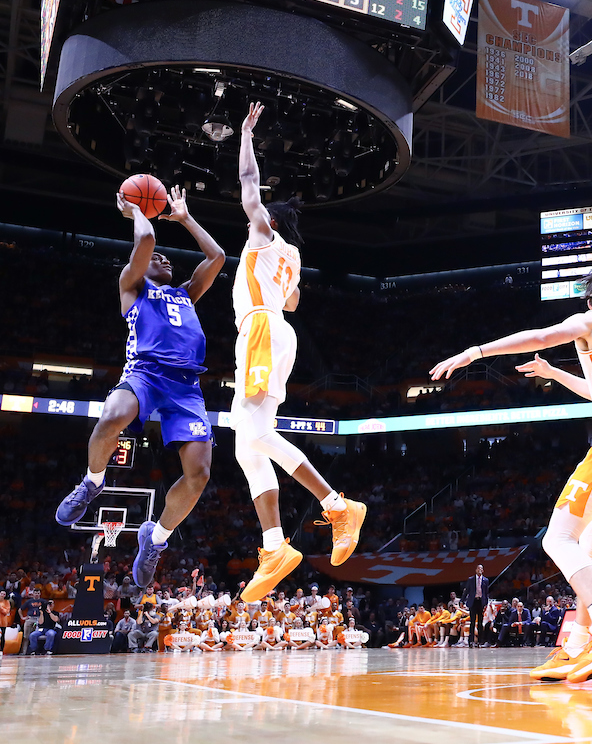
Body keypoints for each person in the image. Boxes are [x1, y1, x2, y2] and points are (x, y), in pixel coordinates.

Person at [431, 270, 592, 684]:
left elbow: (539, 336)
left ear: (590, 302)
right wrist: (555, 374)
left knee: (557, 538)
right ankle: (575, 646)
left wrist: (476, 352)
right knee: (591, 543)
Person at [54, 188, 224, 588]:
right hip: (145, 373)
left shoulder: (186, 294)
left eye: (168, 259)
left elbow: (215, 257)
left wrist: (184, 218)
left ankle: (156, 539)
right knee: (113, 415)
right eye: (158, 259)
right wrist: (136, 210)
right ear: (142, 267)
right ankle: (93, 482)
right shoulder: (131, 286)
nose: (165, 258)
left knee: (198, 475)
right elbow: (146, 241)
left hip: (185, 386)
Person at [233, 103, 367, 602]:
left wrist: (246, 135)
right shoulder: (292, 257)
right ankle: (274, 545)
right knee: (245, 442)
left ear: (270, 222)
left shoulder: (263, 236)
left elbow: (249, 182)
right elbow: (293, 299)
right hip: (274, 326)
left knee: (254, 433)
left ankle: (337, 504)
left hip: (263, 329)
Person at [463, 564, 489, 647]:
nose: (479, 570)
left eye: (481, 568)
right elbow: (466, 590)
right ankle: (471, 641)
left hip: (481, 602)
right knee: (472, 622)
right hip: (473, 601)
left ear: (483, 570)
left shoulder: (485, 580)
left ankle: (480, 641)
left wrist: (486, 604)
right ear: (476, 570)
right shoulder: (471, 579)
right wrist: (462, 600)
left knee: (480, 622)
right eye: (478, 568)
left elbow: (486, 593)